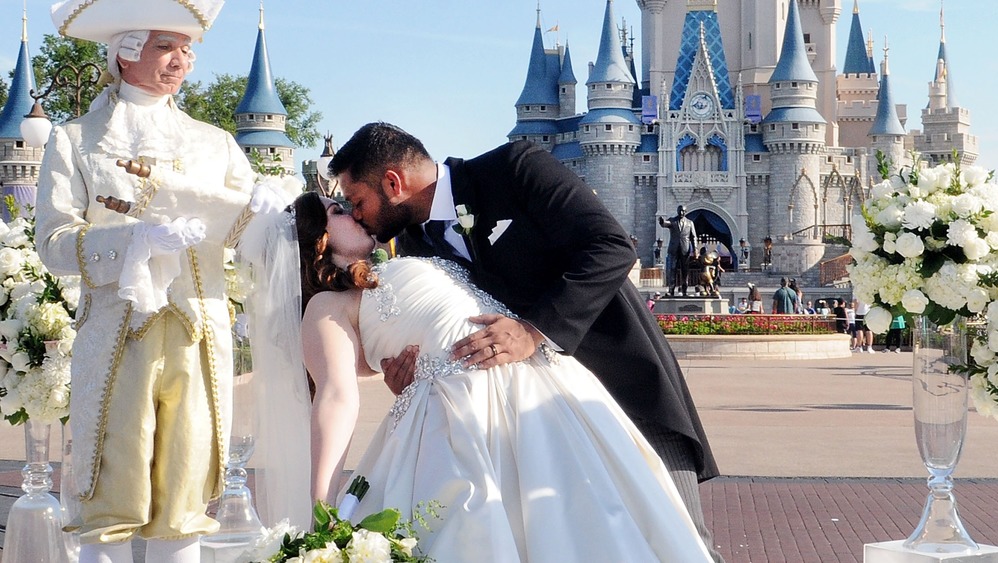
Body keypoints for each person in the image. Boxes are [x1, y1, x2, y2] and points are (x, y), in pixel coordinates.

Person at [245, 192, 714, 562]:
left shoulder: (402, 254)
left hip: (546, 392)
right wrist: (324, 506)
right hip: (463, 418)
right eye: (338, 211)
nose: (354, 212)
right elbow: (336, 396)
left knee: (592, 520)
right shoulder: (325, 309)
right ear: (318, 241)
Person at [330, 122, 722, 561]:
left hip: (623, 383)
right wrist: (412, 374)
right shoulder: (414, 245)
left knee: (679, 537)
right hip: (538, 426)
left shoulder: (515, 168)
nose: (355, 213)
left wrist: (534, 330)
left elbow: (611, 247)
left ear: (392, 182)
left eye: (356, 200)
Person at [34, 2, 286, 561]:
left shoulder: (216, 144)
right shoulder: (75, 139)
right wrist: (133, 242)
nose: (181, 60)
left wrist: (274, 207)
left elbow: (255, 232)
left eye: (186, 49)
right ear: (125, 53)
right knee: (112, 501)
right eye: (165, 47)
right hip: (116, 335)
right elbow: (52, 244)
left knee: (184, 500)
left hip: (198, 333)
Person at [658, 205, 699, 296]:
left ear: (685, 212)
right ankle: (671, 290)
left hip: (685, 250)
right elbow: (665, 223)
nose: (681, 213)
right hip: (674, 249)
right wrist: (661, 221)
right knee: (672, 269)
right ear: (677, 211)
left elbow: (694, 237)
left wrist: (695, 249)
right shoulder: (672, 220)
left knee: (685, 271)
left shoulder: (690, 223)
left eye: (683, 211)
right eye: (680, 211)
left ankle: (684, 290)